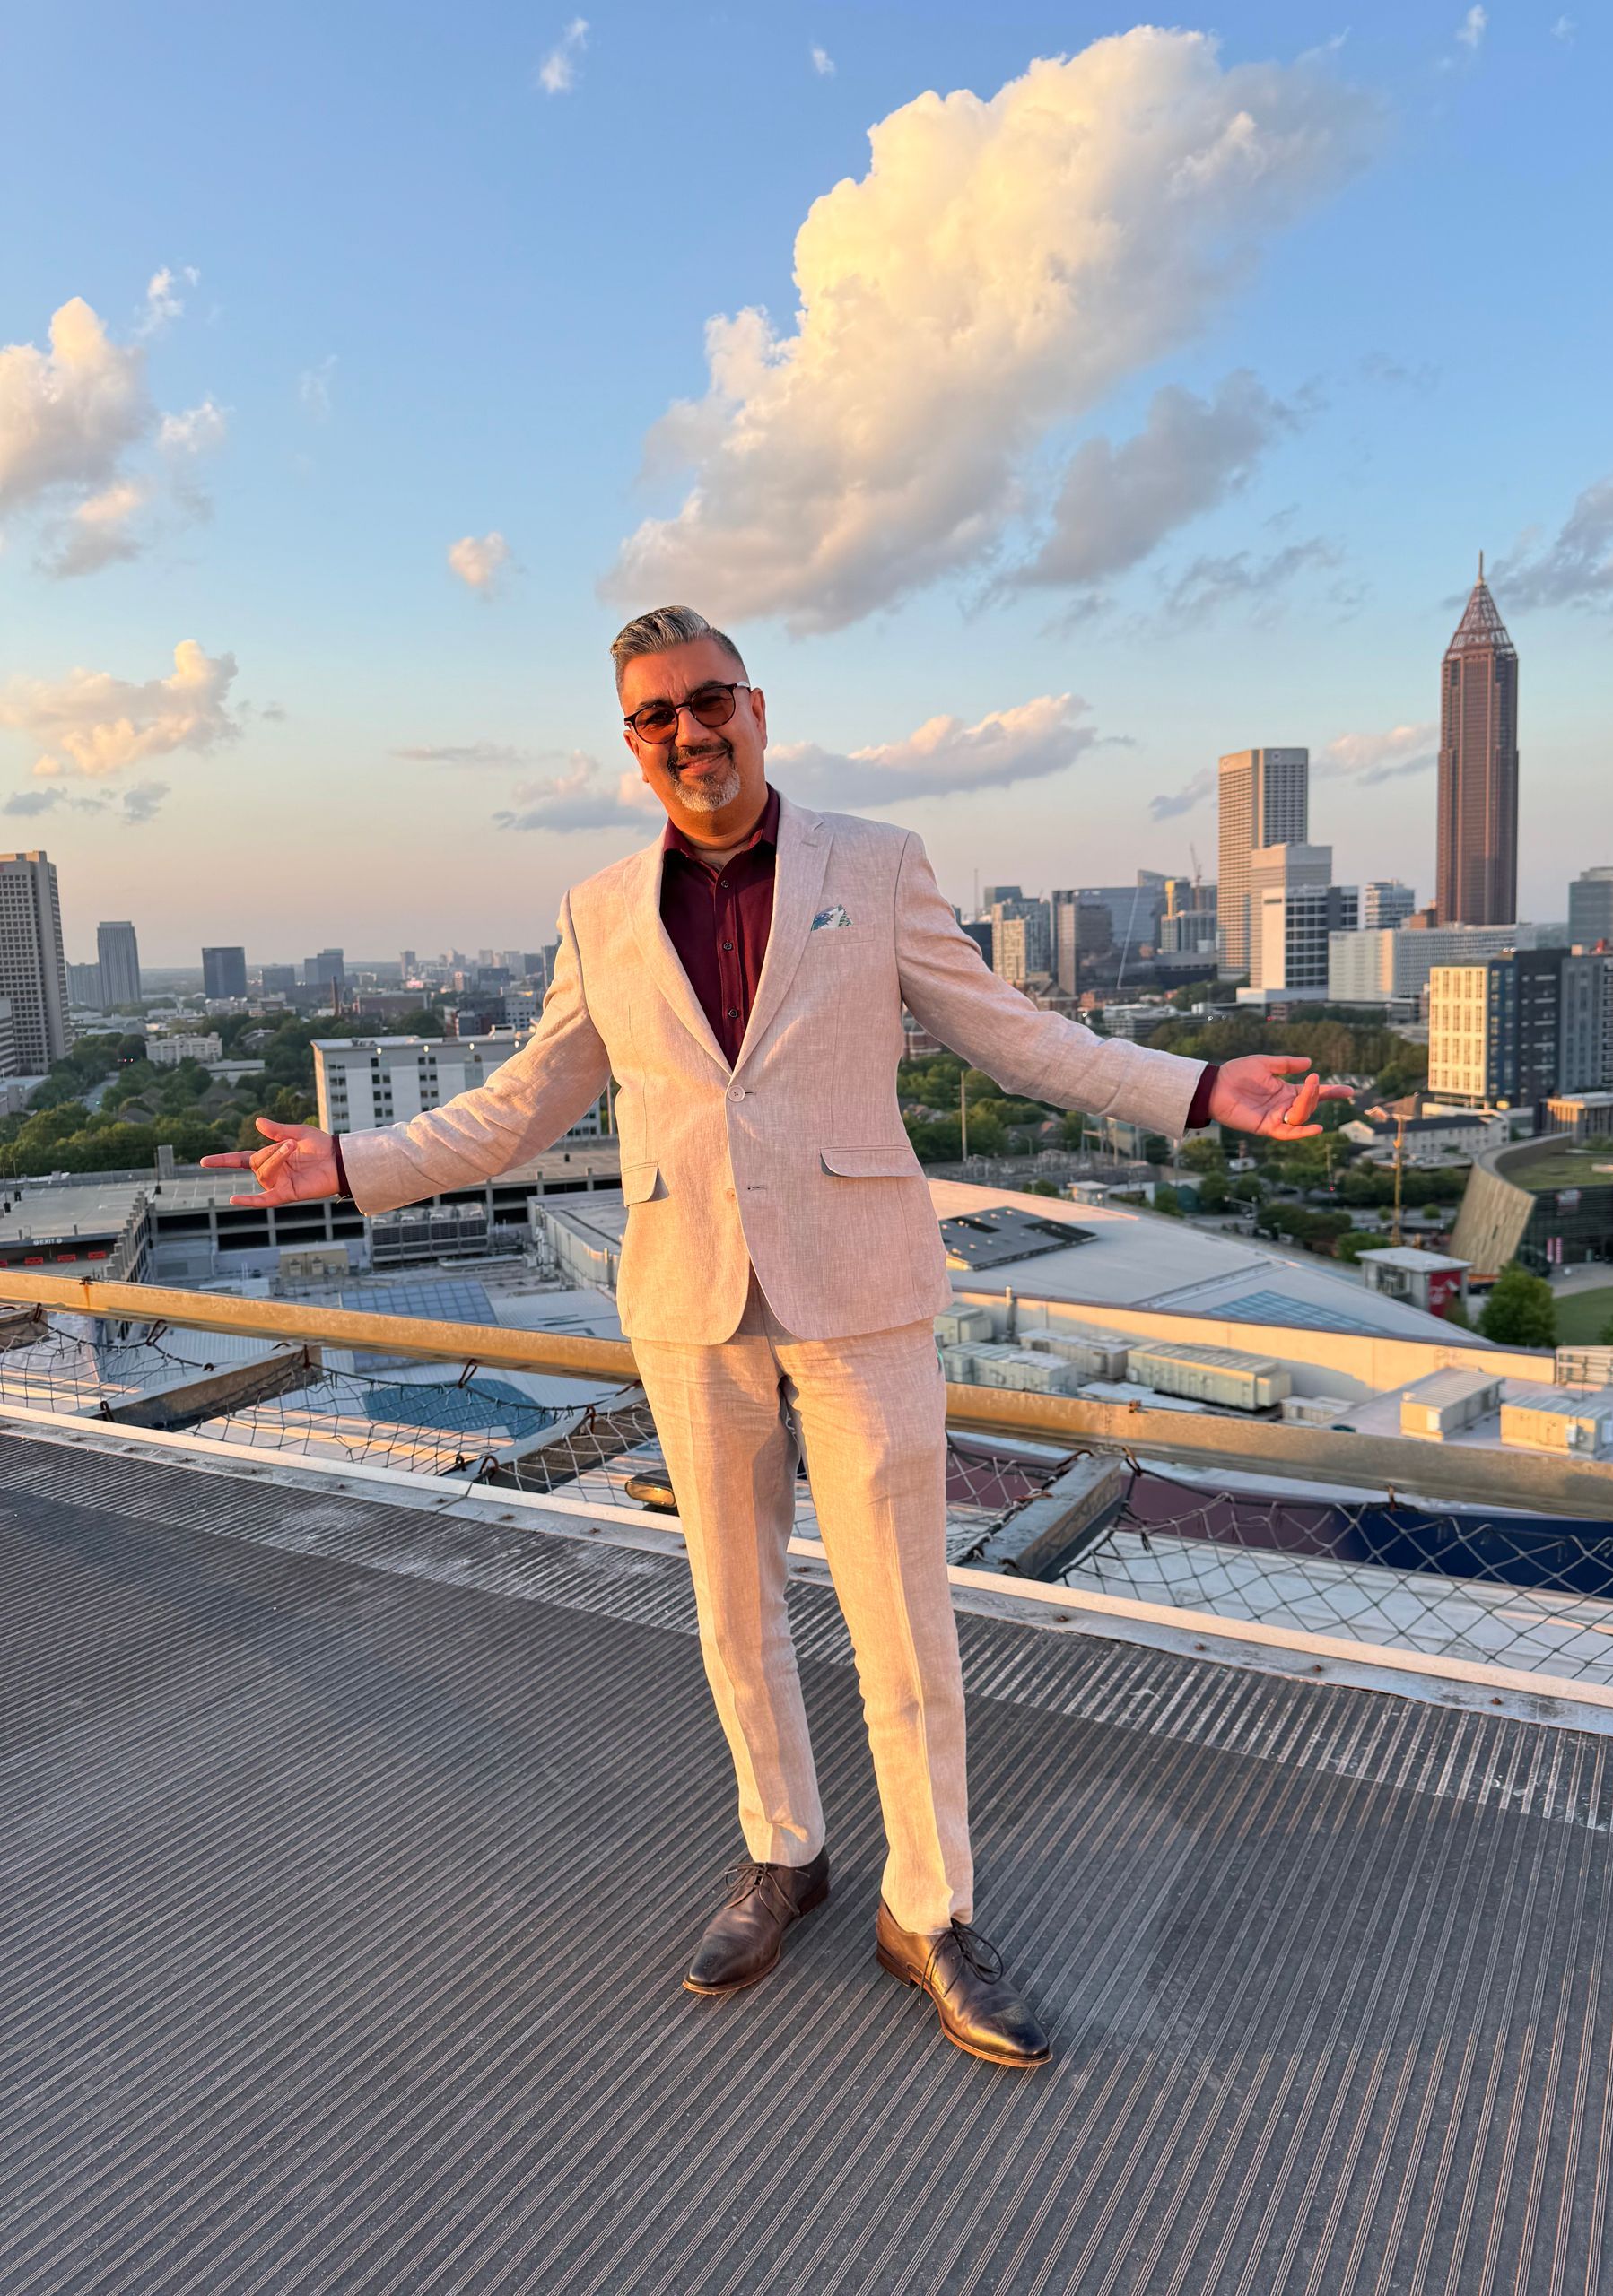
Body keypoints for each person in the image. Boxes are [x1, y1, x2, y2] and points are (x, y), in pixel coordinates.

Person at [203, 606, 1348, 2070]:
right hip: (692, 1303)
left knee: (904, 1627)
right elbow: (521, 1104)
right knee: (733, 1616)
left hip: (861, 1296)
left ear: (758, 710)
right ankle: (782, 1856)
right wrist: (348, 1168)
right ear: (631, 744)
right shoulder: (601, 910)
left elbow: (1016, 1034)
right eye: (657, 715)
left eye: (712, 701)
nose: (691, 732)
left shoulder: (873, 866)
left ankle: (927, 1913)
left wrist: (1198, 1090)